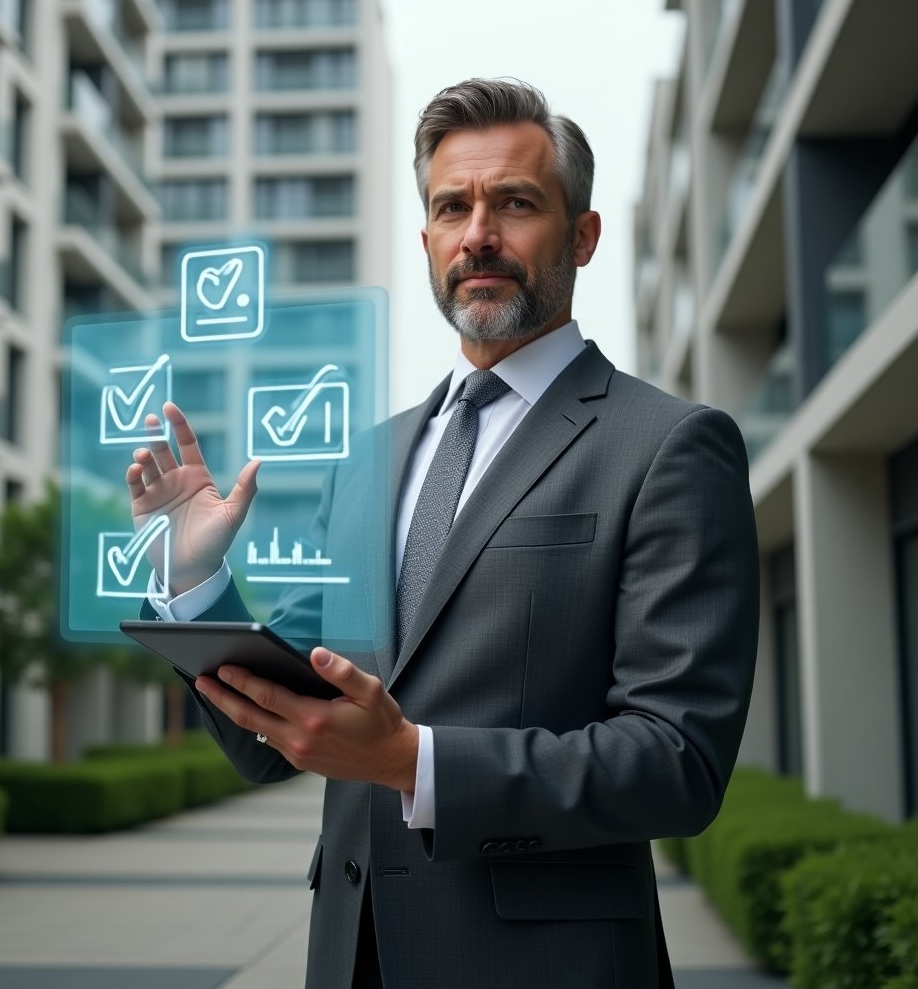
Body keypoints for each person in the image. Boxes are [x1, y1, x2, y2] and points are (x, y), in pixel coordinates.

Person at [125, 78, 759, 989]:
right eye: (451, 207)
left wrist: (414, 762)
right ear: (426, 241)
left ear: (581, 235)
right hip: (353, 959)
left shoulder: (667, 446)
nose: (479, 235)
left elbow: (676, 760)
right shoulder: (371, 458)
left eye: (516, 204)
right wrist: (196, 584)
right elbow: (273, 733)